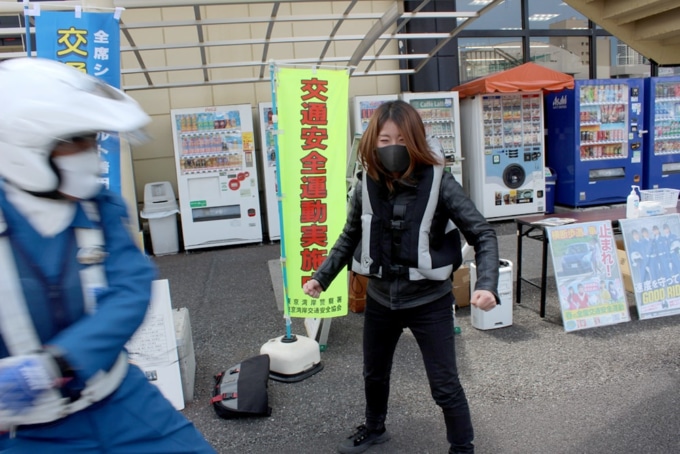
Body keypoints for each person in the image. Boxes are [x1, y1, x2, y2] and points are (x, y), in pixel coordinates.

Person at [0, 57, 215, 453]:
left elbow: (130, 288)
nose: (92, 154)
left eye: (92, 139)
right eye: (76, 141)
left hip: (119, 399)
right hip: (25, 433)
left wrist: (59, 362)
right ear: (25, 148)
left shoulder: (99, 207)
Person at [302, 100, 500, 454]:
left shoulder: (440, 182)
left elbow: (483, 233)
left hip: (429, 301)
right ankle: (375, 428)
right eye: (383, 139)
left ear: (416, 141)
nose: (392, 147)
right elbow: (350, 235)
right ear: (371, 143)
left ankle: (462, 448)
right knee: (374, 375)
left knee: (444, 385)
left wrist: (486, 285)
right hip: (380, 298)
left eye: (401, 139)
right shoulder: (367, 183)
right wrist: (322, 277)